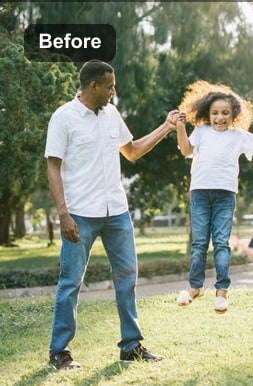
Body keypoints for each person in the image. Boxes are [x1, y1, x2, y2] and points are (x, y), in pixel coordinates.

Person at [44, 60, 174, 370]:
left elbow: (132, 150)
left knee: (127, 276)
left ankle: (131, 346)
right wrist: (63, 214)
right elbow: (53, 165)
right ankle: (59, 351)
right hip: (80, 213)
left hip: (116, 210)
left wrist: (167, 127)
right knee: (71, 281)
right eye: (110, 86)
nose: (114, 91)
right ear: (93, 86)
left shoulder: (111, 114)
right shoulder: (64, 117)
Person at [174, 81, 253, 314]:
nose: (220, 118)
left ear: (234, 115)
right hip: (200, 192)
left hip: (225, 195)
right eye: (215, 113)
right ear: (207, 114)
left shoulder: (238, 136)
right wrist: (180, 127)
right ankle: (194, 288)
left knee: (221, 242)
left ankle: (221, 293)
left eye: (225, 113)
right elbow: (186, 151)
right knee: (199, 243)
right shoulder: (201, 131)